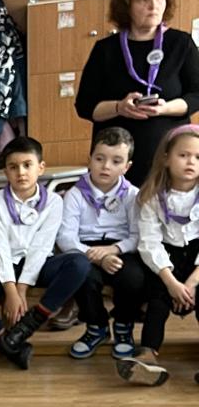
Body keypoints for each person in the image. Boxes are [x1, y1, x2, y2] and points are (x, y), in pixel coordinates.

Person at [0, 136, 90, 370]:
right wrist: (10, 290)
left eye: (27, 165)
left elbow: (41, 247)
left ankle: (29, 323)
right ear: (5, 172)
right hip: (2, 265)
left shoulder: (53, 202)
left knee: (79, 263)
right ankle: (6, 341)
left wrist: (21, 289)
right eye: (13, 167)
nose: (21, 172)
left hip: (38, 264)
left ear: (41, 168)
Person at [75, 0, 199, 185]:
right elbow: (85, 105)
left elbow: (196, 95)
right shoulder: (106, 49)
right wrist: (119, 107)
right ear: (127, 6)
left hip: (169, 158)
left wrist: (164, 108)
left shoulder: (181, 43)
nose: (154, 6)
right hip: (117, 161)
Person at [118, 124, 199, 388]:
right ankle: (147, 358)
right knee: (157, 303)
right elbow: (149, 242)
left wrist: (191, 283)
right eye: (183, 155)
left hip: (197, 266)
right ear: (166, 158)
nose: (191, 162)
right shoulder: (151, 197)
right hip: (166, 263)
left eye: (198, 157)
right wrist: (171, 282)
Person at [56, 126, 146, 362]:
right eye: (99, 159)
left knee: (134, 276)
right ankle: (96, 327)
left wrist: (113, 250)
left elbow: (138, 236)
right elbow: (65, 237)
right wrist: (95, 256)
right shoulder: (75, 194)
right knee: (81, 275)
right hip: (85, 248)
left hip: (121, 247)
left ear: (127, 167)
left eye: (116, 161)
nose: (106, 166)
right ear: (90, 160)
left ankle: (124, 325)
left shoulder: (132, 195)